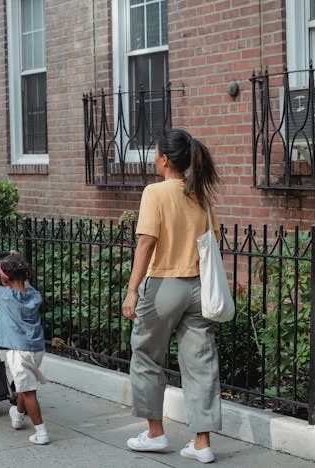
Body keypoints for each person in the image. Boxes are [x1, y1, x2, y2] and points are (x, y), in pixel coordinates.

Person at [122, 128, 222, 463]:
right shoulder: (200, 196)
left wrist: (132, 290)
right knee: (200, 363)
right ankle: (202, 443)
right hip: (198, 289)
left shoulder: (155, 192)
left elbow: (146, 242)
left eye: (155, 153)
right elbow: (211, 243)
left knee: (148, 357)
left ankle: (154, 434)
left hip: (164, 286)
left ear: (164, 160)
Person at [0, 251, 50, 445]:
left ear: (4, 278)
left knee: (29, 390)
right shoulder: (33, 294)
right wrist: (17, 257)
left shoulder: (5, 296)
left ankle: (41, 433)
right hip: (37, 348)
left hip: (18, 350)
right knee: (24, 384)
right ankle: (17, 414)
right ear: (25, 276)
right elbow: (24, 282)